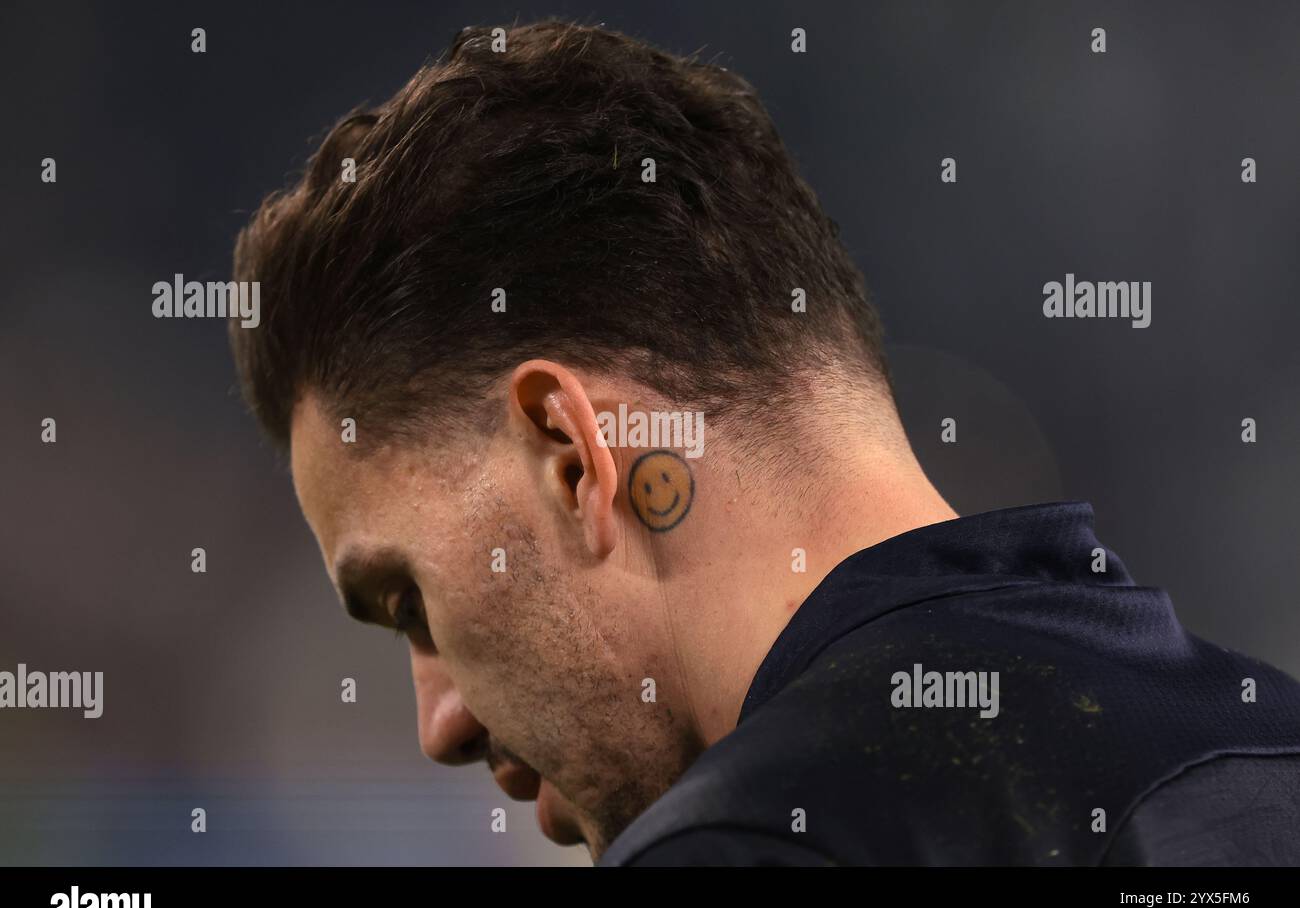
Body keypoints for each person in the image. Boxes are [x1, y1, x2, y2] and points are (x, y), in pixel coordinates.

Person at [228, 21, 1300, 864]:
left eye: (407, 603)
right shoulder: (1265, 749)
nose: (439, 723)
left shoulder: (748, 843)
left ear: (570, 454)